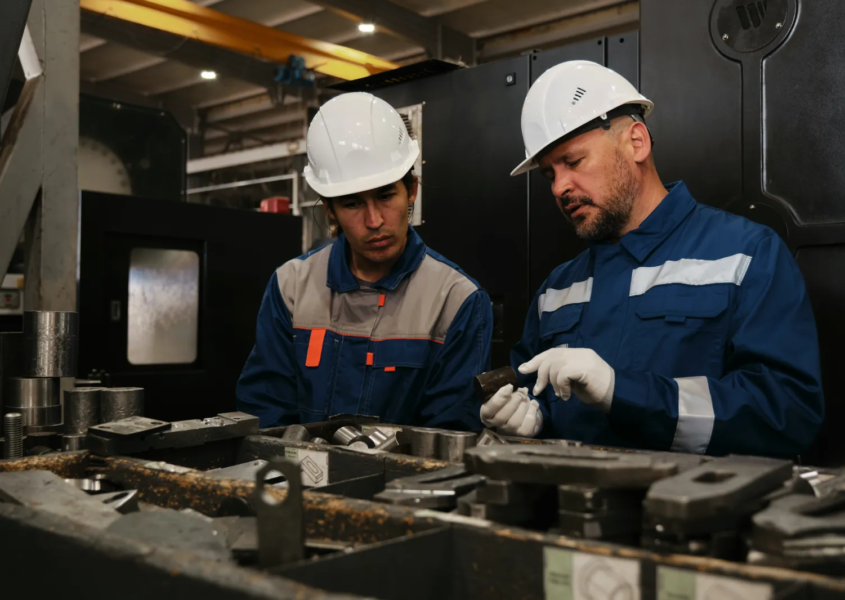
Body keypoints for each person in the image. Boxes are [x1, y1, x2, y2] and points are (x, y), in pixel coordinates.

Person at [479, 61, 824, 458]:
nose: (560, 187)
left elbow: (786, 414)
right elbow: (532, 390)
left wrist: (620, 390)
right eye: (548, 174)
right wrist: (527, 419)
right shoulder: (557, 289)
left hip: (691, 511)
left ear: (636, 142)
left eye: (573, 162)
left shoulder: (746, 255)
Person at [237, 92, 493, 430]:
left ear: (411, 189)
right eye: (352, 204)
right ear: (330, 208)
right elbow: (266, 412)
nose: (374, 221)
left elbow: (450, 436)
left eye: (386, 195)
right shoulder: (291, 287)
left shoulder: (457, 301)